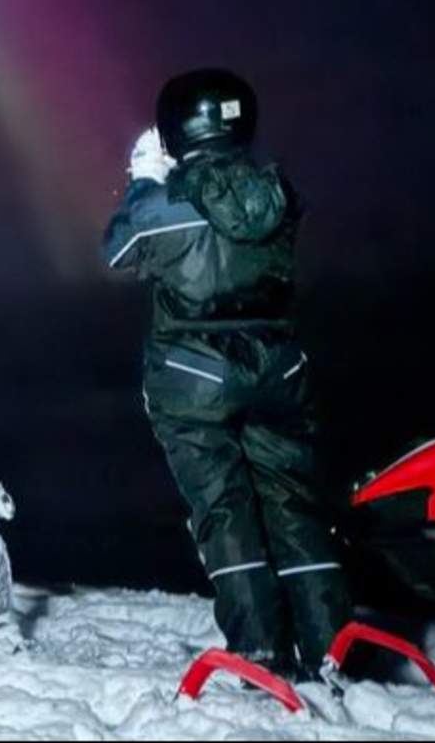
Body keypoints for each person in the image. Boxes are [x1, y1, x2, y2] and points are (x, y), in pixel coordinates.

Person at [104, 69, 351, 679]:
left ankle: (262, 654)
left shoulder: (164, 203)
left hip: (193, 381)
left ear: (174, 129)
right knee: (295, 510)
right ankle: (333, 651)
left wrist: (142, 183)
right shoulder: (278, 190)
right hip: (280, 372)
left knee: (224, 512)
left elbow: (117, 252)